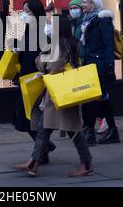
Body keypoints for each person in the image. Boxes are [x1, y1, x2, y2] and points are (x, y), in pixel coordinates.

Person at [15, 15, 93, 177]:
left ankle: (86, 163)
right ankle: (33, 162)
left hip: (60, 92)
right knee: (45, 128)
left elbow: (53, 66)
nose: (48, 26)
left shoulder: (60, 44)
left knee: (73, 131)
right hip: (61, 92)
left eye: (51, 24)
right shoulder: (70, 42)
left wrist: (42, 62)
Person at [12, 0, 56, 168]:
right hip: (26, 79)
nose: (24, 15)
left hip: (35, 81)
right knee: (25, 118)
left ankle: (42, 151)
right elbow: (26, 53)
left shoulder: (42, 32)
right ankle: (44, 148)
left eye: (27, 12)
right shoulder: (30, 30)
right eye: (23, 11)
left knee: (29, 118)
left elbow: (44, 56)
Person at [80, 0, 120, 145]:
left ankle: (91, 132)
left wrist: (110, 67)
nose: (83, 5)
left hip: (100, 65)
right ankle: (112, 130)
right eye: (83, 2)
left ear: (94, 3)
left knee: (93, 99)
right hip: (90, 64)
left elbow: (108, 44)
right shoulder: (87, 20)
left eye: (86, 2)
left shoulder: (103, 20)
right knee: (100, 99)